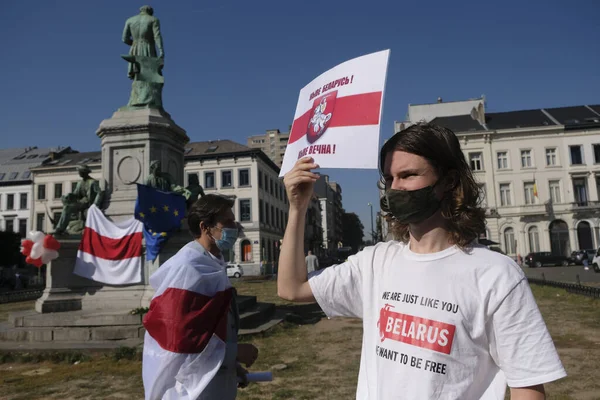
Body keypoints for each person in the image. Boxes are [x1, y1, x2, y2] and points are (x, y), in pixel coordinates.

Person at [278, 123, 566, 399]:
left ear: (448, 181)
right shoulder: (375, 262)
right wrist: (297, 208)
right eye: (389, 179)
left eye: (408, 175)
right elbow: (292, 288)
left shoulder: (496, 275)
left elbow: (527, 385)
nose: (395, 188)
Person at [142, 194, 258, 399]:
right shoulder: (188, 268)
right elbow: (179, 339)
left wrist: (230, 367)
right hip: (188, 391)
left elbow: (210, 328)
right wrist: (234, 353)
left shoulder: (213, 264)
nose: (235, 227)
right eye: (228, 222)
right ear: (205, 227)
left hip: (212, 384)